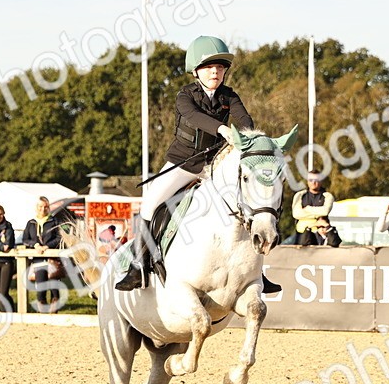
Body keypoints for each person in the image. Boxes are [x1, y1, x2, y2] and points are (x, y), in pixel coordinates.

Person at [116, 35, 280, 293]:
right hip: (184, 164)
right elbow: (194, 117)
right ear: (196, 71)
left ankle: (257, 272)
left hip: (215, 166)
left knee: (248, 205)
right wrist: (222, 129)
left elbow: (245, 120)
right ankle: (138, 265)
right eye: (209, 67)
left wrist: (251, 136)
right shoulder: (185, 96)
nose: (215, 72)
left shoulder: (230, 96)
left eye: (220, 67)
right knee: (150, 203)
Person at [23, 196, 63, 312]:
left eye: (45, 207)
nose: (43, 209)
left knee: (54, 289)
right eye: (40, 206)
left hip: (52, 259)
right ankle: (42, 313)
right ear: (36, 207)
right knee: (41, 290)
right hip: (38, 260)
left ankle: (54, 313)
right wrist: (35, 245)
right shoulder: (31, 223)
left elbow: (59, 237)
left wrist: (47, 246)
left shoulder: (54, 221)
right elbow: (25, 239)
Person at [292, 176, 334, 246]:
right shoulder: (300, 195)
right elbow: (296, 214)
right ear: (307, 181)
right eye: (311, 180)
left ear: (321, 181)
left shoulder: (327, 196)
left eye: (316, 180)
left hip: (320, 234)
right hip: (302, 234)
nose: (313, 182)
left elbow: (325, 211)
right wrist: (317, 214)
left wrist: (307, 209)